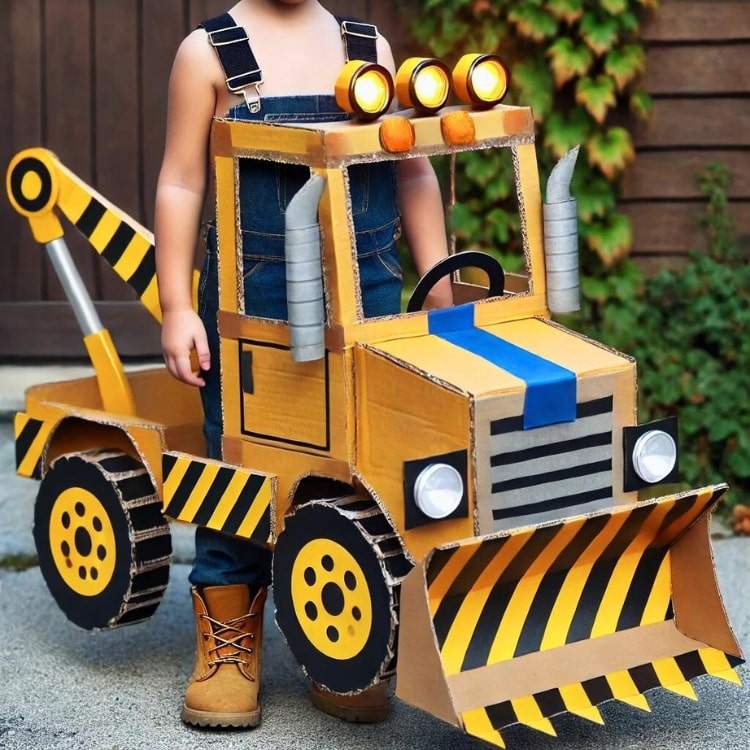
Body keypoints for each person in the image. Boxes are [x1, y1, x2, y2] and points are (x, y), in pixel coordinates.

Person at [154, 0, 451, 731]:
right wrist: (176, 305)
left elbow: (410, 169)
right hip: (254, 312)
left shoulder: (364, 44)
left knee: (362, 471)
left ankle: (347, 641)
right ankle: (230, 639)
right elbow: (182, 181)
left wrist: (438, 278)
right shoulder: (207, 53)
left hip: (369, 305)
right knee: (245, 469)